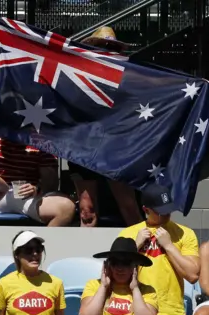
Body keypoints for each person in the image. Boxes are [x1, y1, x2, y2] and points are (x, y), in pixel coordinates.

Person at [119, 183, 200, 315]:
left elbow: (193, 275)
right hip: (138, 309)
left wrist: (169, 246)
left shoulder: (184, 234)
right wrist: (135, 246)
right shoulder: (129, 234)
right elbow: (115, 271)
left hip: (172, 311)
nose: (166, 215)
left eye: (168, 211)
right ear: (145, 210)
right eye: (160, 212)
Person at [70, 27, 142, 228]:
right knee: (86, 210)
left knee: (128, 206)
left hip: (116, 148)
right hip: (83, 148)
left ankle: (142, 255)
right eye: (102, 45)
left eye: (112, 46)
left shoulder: (130, 75)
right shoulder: (77, 72)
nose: (107, 49)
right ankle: (84, 258)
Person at [0, 121, 76, 226]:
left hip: (23, 194)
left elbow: (51, 184)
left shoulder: (40, 137)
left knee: (66, 208)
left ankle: (39, 245)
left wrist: (36, 189)